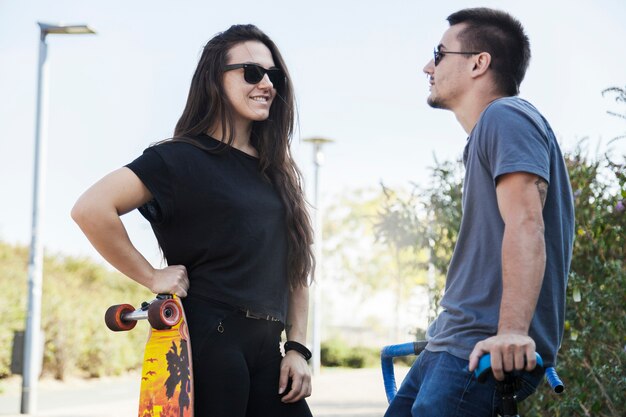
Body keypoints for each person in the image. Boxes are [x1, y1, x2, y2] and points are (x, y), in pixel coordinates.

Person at [72, 24, 315, 417]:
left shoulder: (277, 172)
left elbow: (297, 268)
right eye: (252, 72)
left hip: (269, 350)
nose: (266, 83)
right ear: (215, 79)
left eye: (275, 75)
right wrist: (151, 276)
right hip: (208, 344)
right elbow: (90, 208)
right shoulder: (178, 159)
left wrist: (298, 349)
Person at [384, 8, 574, 417]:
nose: (427, 66)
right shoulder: (488, 134)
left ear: (478, 62)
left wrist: (510, 333)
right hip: (449, 346)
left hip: (479, 354)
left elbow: (526, 224)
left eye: (439, 53)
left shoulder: (505, 116)